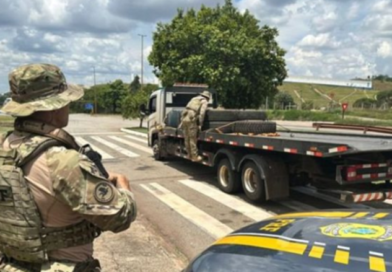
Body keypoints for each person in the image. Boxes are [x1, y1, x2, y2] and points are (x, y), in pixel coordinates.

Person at [0, 64, 137, 272]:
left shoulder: (4, 146)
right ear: (54, 106)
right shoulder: (63, 161)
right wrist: (123, 187)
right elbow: (120, 217)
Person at [179, 90, 210, 162]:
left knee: (187, 138)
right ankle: (194, 157)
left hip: (184, 118)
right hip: (191, 120)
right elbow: (202, 113)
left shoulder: (194, 98)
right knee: (192, 139)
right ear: (207, 97)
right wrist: (200, 124)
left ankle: (189, 155)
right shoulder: (204, 101)